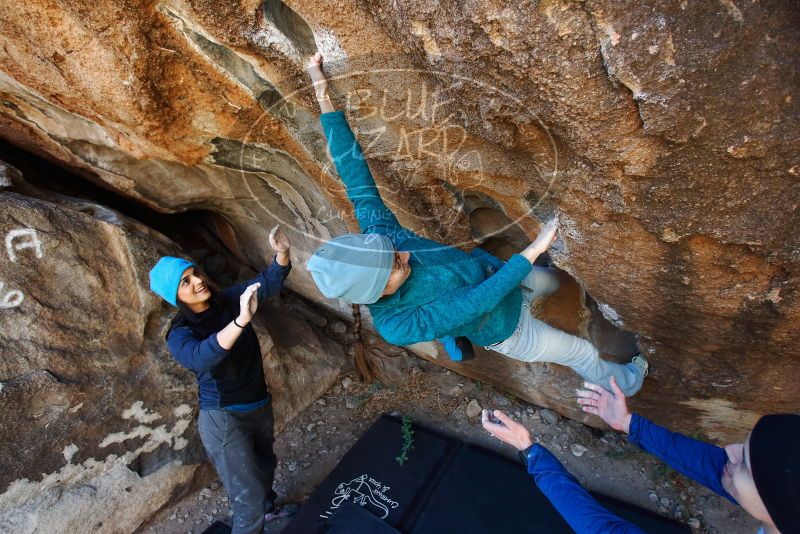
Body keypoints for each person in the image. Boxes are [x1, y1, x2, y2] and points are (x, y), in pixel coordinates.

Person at [305, 52, 648, 396]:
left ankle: (453, 330)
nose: (405, 254)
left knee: (553, 282)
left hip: (494, 271)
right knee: (582, 351)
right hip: (506, 328)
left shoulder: (383, 234)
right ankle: (631, 383)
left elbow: (355, 175)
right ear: (377, 292)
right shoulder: (397, 325)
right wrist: (534, 248)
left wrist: (321, 91)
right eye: (396, 264)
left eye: (395, 251)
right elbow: (478, 302)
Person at [481, 377, 800, 533]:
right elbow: (714, 466)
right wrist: (629, 424)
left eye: (743, 462)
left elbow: (604, 530)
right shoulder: (784, 508)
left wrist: (531, 452)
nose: (728, 451)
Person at [148, 226, 297, 534]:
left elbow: (269, 281)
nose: (198, 282)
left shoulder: (226, 301)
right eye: (185, 282)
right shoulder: (180, 334)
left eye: (195, 274)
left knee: (265, 466)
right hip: (224, 417)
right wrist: (241, 320)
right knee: (247, 500)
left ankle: (268, 511)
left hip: (258, 402)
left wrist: (282, 251)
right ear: (174, 295)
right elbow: (203, 356)